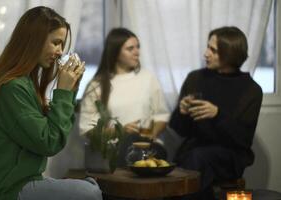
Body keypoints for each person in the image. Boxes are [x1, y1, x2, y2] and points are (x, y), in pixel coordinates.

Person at [0, 6, 102, 200]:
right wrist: (64, 92)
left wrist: (71, 89)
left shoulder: (25, 83)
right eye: (56, 43)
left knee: (89, 188)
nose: (60, 52)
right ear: (34, 41)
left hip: (24, 181)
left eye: (62, 45)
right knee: (91, 192)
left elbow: (51, 133)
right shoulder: (11, 88)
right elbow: (49, 143)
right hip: (6, 190)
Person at [169, 26, 263, 200]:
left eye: (213, 50)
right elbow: (180, 129)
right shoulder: (195, 78)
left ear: (230, 53)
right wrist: (181, 112)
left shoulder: (251, 90)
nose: (206, 54)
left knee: (196, 161)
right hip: (193, 152)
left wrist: (217, 115)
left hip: (229, 156)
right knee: (188, 162)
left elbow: (243, 139)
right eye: (207, 47)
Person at [79, 28, 170, 167]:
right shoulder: (97, 85)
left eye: (138, 47)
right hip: (113, 150)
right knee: (129, 143)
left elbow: (161, 116)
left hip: (148, 147)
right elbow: (87, 129)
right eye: (130, 48)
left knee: (144, 149)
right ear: (115, 53)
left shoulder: (148, 78)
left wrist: (152, 133)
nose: (137, 52)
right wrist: (120, 131)